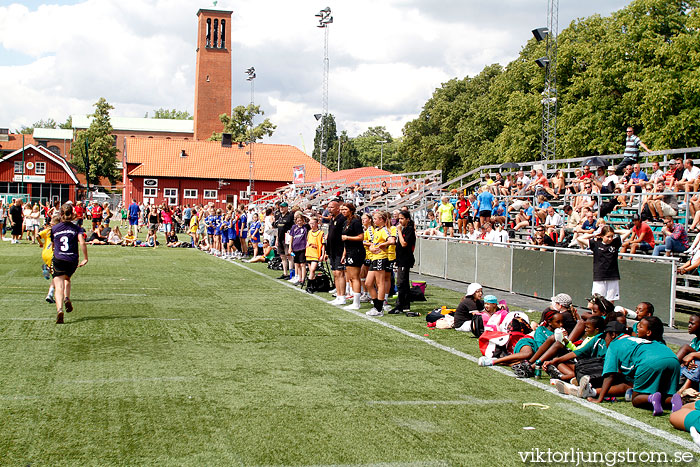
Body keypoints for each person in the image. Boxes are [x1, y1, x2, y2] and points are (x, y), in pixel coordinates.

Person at [589, 321, 680, 416]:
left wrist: (599, 399)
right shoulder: (634, 339)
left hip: (650, 362)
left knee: (636, 399)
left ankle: (651, 398)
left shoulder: (614, 344)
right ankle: (672, 399)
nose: (605, 341)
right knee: (664, 392)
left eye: (605, 337)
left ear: (612, 335)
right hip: (673, 359)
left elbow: (609, 375)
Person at [51, 203, 88, 324]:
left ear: (60, 214)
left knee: (58, 285)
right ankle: (67, 298)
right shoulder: (76, 228)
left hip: (59, 258)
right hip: (72, 260)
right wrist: (85, 258)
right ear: (72, 213)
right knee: (67, 278)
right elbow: (82, 242)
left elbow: (53, 246)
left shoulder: (54, 228)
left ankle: (60, 309)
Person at [577, 225, 631, 302]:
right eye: (608, 236)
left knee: (611, 300)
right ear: (602, 236)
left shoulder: (615, 242)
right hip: (599, 275)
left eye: (612, 236)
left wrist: (614, 231)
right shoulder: (595, 244)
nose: (610, 239)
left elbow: (628, 232)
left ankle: (609, 314)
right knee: (597, 300)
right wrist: (595, 234)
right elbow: (580, 238)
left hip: (612, 275)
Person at [363, 210, 394, 316]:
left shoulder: (384, 230)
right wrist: (372, 248)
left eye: (375, 218)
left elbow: (391, 241)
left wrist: (382, 245)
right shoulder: (376, 230)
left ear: (381, 220)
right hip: (374, 258)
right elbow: (372, 243)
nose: (374, 220)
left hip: (381, 258)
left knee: (380, 283)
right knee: (368, 283)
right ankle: (377, 305)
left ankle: (379, 308)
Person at [391, 209, 416, 315]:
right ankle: (404, 305)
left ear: (407, 219)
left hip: (406, 259)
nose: (399, 221)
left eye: (402, 218)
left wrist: (399, 232)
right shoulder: (405, 229)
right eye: (399, 218)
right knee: (403, 283)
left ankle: (400, 305)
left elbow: (404, 243)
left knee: (401, 283)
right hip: (401, 259)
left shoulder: (409, 230)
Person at [340, 202, 364, 310]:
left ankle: (356, 302)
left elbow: (361, 237)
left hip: (356, 251)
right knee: (350, 277)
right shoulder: (346, 222)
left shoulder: (355, 222)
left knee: (355, 277)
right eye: (342, 210)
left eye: (345, 209)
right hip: (349, 251)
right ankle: (354, 299)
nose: (343, 211)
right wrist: (344, 253)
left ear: (351, 210)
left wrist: (348, 238)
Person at [325, 199, 347, 305]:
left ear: (338, 208)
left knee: (340, 273)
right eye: (328, 207)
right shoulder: (332, 219)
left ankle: (342, 296)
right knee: (335, 273)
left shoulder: (342, 219)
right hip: (331, 250)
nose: (329, 209)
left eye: (332, 207)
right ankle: (338, 295)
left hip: (339, 250)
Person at [37, 215, 60, 303]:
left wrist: (40, 243)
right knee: (57, 276)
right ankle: (50, 294)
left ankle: (47, 268)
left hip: (45, 254)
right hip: (53, 255)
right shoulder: (58, 231)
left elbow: (37, 235)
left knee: (55, 273)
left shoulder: (47, 231)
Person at [289, 212, 309, 285]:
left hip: (302, 248)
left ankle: (303, 279)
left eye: (300, 220)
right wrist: (290, 247)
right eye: (298, 221)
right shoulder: (294, 227)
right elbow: (291, 237)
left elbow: (310, 220)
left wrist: (303, 215)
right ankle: (299, 278)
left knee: (302, 264)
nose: (299, 222)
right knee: (297, 264)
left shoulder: (305, 227)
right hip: (295, 248)